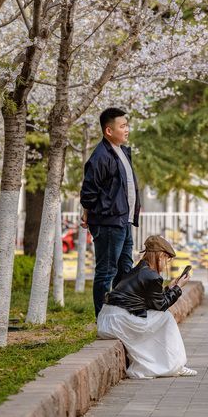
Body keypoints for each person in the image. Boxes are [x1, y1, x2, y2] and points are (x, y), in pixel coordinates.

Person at [96, 235, 197, 378]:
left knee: (157, 320)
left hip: (108, 319)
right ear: (161, 256)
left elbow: (151, 301)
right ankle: (176, 366)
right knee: (166, 317)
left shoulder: (139, 269)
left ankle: (168, 364)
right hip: (119, 321)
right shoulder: (152, 276)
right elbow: (160, 306)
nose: (166, 264)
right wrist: (178, 288)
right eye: (167, 260)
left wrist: (169, 288)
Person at [80, 107, 142, 318]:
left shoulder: (121, 152)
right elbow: (88, 191)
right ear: (109, 130)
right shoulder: (100, 156)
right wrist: (88, 212)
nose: (127, 129)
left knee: (125, 270)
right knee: (106, 272)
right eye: (122, 126)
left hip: (123, 221)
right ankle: (103, 320)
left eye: (127, 125)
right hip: (108, 222)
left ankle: (122, 316)